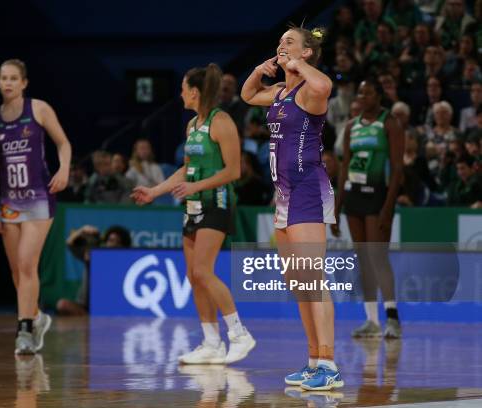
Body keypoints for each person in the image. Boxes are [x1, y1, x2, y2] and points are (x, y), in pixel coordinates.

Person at [132, 63, 256, 365]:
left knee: (202, 271)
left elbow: (234, 171)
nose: (180, 94)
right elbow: (186, 168)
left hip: (217, 202)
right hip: (193, 204)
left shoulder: (222, 121)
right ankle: (211, 342)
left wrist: (196, 185)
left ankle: (240, 334)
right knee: (193, 276)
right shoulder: (192, 126)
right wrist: (154, 191)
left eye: (183, 89)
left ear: (195, 92)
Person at [241, 25, 342, 391]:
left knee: (313, 280)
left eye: (290, 42)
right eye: (280, 42)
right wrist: (259, 70)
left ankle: (329, 364)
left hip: (307, 192)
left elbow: (325, 87)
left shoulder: (309, 92)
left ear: (307, 52)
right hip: (283, 196)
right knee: (298, 283)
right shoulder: (281, 92)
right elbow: (248, 95)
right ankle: (314, 358)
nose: (281, 46)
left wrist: (299, 64)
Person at [0, 59, 72, 354]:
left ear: (24, 83)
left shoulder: (39, 109)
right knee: (17, 272)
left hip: (39, 197)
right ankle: (37, 317)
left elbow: (63, 143)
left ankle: (24, 329)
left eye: (14, 78)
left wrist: (64, 170)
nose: (8, 83)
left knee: (26, 264)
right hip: (10, 201)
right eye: (4, 78)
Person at [333, 78, 405, 339]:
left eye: (368, 93)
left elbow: (398, 169)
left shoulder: (389, 123)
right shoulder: (351, 126)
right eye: (361, 93)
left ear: (379, 96)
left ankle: (393, 318)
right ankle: (372, 321)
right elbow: (344, 169)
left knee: (377, 256)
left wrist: (388, 206)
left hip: (377, 196)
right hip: (353, 197)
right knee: (363, 260)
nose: (363, 97)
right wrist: (336, 207)